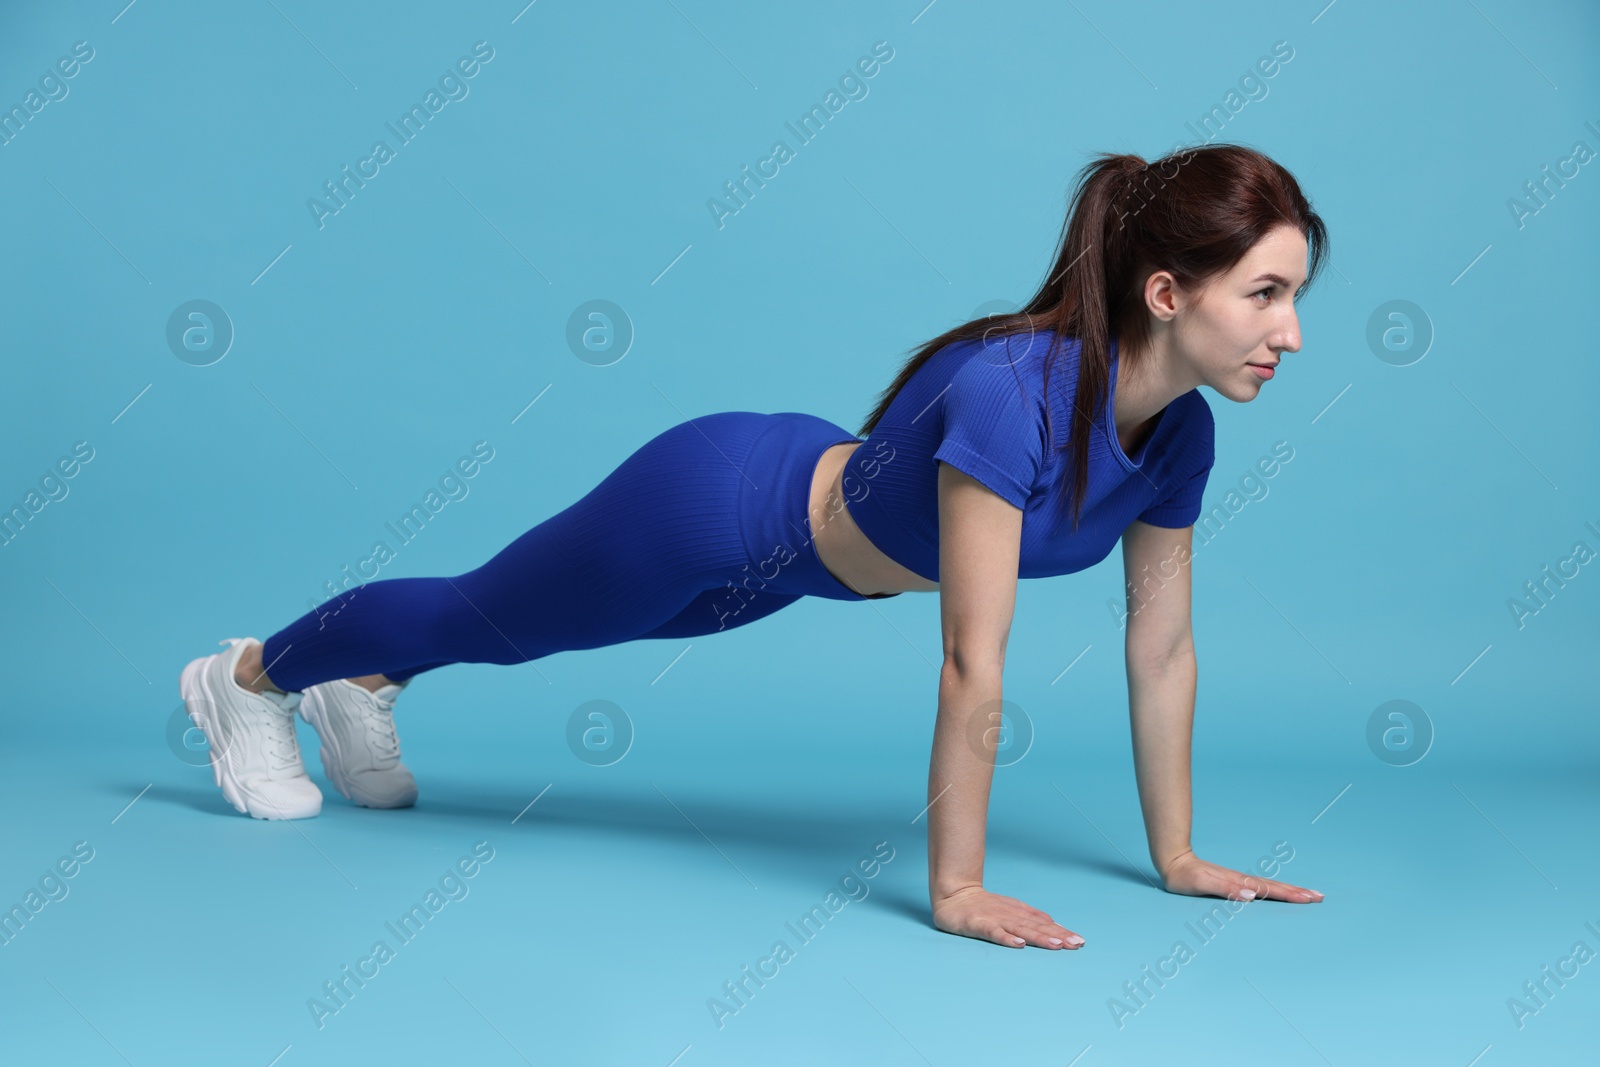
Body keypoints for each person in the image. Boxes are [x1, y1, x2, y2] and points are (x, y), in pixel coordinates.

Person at [180, 143, 1329, 950]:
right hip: (716, 506)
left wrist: (1178, 858)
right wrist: (958, 886)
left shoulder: (1179, 440)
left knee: (505, 633)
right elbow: (975, 661)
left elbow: (1161, 650)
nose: (1289, 331)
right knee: (486, 619)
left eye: (1297, 296)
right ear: (1169, 291)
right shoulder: (1012, 399)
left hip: (792, 578)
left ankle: (363, 683)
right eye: (1266, 291)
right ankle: (246, 676)